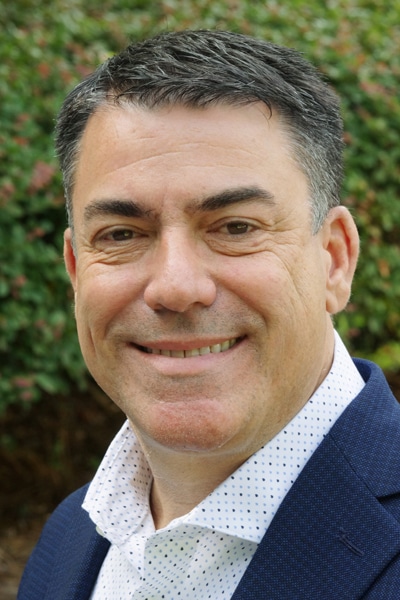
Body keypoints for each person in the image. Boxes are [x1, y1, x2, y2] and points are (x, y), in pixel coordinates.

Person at [18, 29, 400, 599]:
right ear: (76, 270)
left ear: (335, 259)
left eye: (236, 228)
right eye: (122, 234)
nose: (175, 287)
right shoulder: (71, 537)